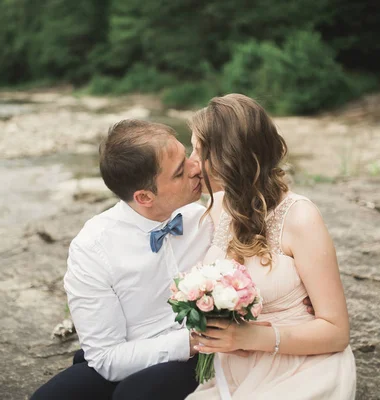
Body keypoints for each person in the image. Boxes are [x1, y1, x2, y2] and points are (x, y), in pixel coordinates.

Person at [30, 119, 314, 400]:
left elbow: (263, 241)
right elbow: (106, 357)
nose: (197, 168)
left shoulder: (206, 217)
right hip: (129, 354)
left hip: (201, 356)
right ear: (144, 197)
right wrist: (189, 342)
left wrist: (297, 290)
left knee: (136, 394)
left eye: (187, 154)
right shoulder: (93, 248)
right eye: (179, 173)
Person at [185, 94, 357, 400]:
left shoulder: (300, 217)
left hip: (300, 366)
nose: (192, 162)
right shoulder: (216, 209)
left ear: (228, 156)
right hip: (235, 368)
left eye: (199, 150)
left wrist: (249, 337)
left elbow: (336, 332)